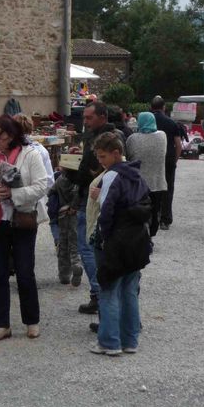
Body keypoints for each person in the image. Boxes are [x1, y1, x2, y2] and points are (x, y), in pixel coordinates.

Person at [0, 115, 47, 342]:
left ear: (12, 135)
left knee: (25, 273)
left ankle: (31, 321)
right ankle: (2, 324)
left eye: (0, 134)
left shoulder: (30, 155)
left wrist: (14, 194)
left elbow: (42, 185)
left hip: (22, 220)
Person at [90, 132, 151, 356]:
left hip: (116, 240)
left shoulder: (111, 177)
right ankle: (130, 340)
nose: (100, 161)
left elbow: (106, 212)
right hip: (137, 239)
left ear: (116, 153)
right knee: (129, 292)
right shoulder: (137, 174)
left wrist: (103, 237)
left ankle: (109, 342)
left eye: (103, 156)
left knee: (108, 290)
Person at [74, 101, 118, 315]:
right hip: (91, 197)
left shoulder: (103, 140)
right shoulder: (99, 136)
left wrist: (67, 170)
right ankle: (100, 295)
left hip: (91, 200)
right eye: (84, 117)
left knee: (88, 246)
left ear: (102, 117)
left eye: (89, 117)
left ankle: (98, 294)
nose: (85, 121)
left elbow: (86, 173)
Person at [125, 112, 167, 238]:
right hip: (157, 182)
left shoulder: (132, 139)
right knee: (155, 211)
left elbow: (128, 157)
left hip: (137, 183)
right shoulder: (162, 136)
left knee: (139, 212)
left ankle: (141, 235)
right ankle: (151, 235)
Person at [47, 166, 82, 285]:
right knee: (74, 243)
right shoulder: (79, 181)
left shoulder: (60, 180)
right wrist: (74, 206)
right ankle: (76, 263)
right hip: (75, 216)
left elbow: (50, 192)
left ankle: (64, 275)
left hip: (62, 215)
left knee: (63, 245)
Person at [151, 96, 182, 230]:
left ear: (151, 107)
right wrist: (174, 160)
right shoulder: (171, 123)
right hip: (168, 158)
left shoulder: (148, 121)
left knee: (152, 186)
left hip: (152, 158)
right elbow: (178, 145)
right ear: (164, 107)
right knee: (168, 188)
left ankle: (152, 216)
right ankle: (165, 219)